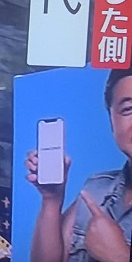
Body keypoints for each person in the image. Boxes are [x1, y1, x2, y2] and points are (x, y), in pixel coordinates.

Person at [25, 67, 132, 262]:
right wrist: (51, 199)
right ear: (112, 122)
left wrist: (120, 257)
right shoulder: (96, 189)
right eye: (128, 110)